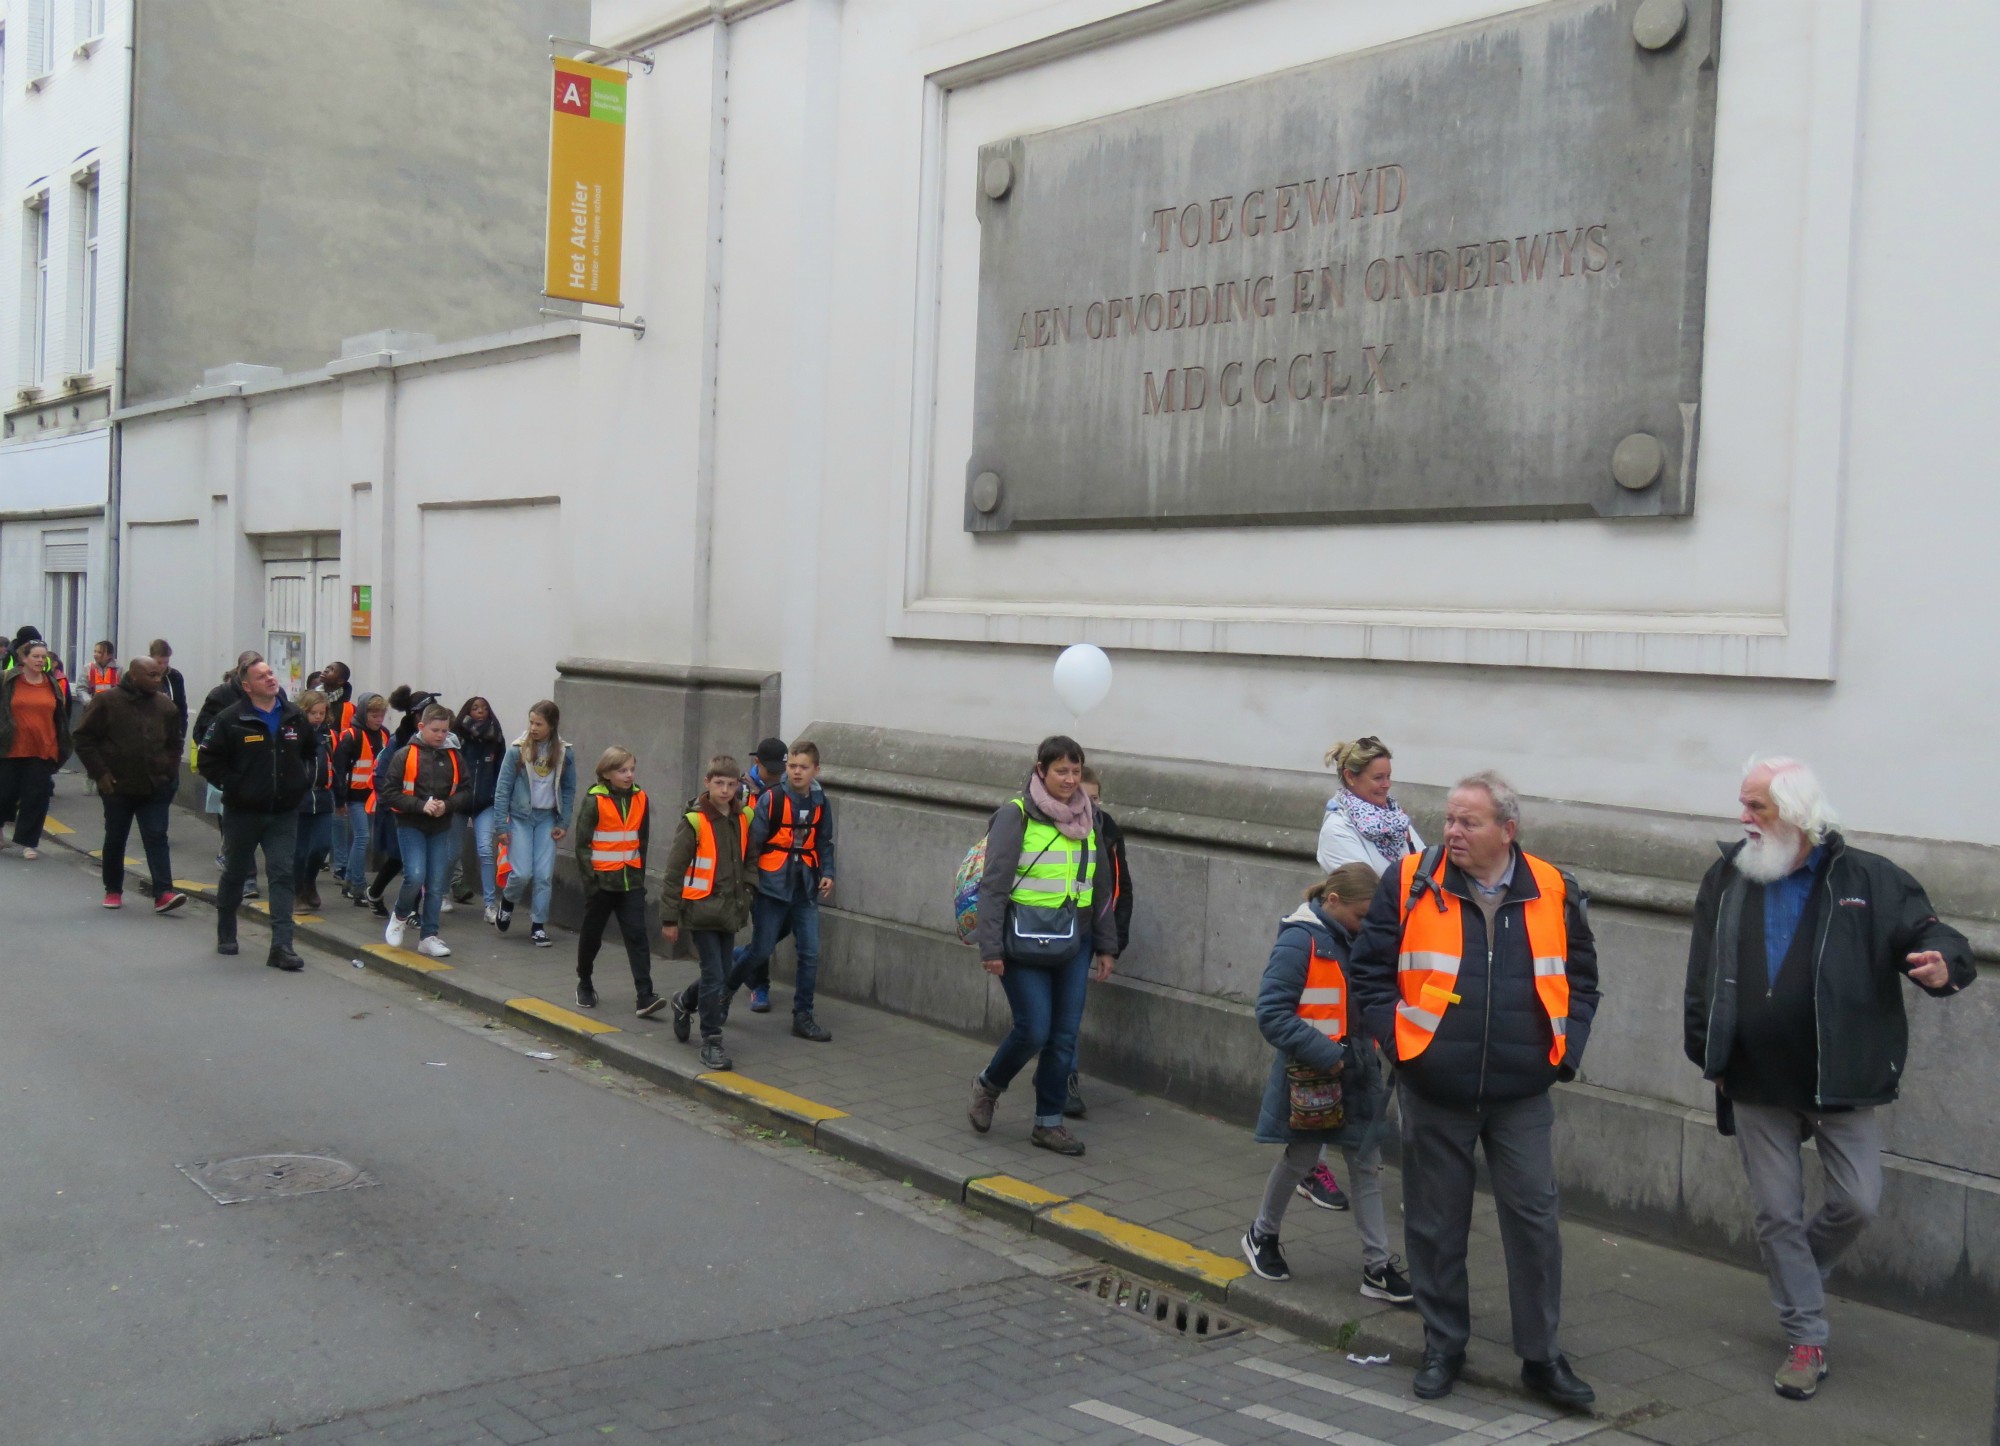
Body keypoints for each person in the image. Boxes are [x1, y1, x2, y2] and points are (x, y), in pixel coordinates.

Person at [1684, 757, 1974, 1402]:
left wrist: (1941, 965)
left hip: (1838, 1076)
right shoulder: (1728, 876)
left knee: (1858, 1200)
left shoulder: (1867, 877)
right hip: (1755, 1077)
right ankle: (1806, 1336)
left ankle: (1797, 1279)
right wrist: (1707, 1048)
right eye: (1744, 804)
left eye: (1756, 806)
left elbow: (1934, 934)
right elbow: (1701, 969)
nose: (1744, 819)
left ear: (1795, 813)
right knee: (1777, 1214)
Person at [1347, 771, 1600, 1409]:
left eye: (1469, 822)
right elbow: (1370, 973)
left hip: (1521, 1092)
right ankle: (1444, 1345)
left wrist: (1563, 1055)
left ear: (1507, 831)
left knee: (1535, 1222)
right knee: (1435, 1225)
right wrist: (1400, 1047)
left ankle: (1541, 1358)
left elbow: (1582, 979)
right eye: (1450, 819)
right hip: (1435, 1084)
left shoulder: (1553, 888)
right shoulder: (1409, 881)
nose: (1452, 832)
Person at [1242, 864, 1412, 1307]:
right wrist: (1331, 1055)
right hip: (1316, 1075)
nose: (1367, 926)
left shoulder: (1357, 938)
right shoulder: (1300, 940)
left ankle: (1376, 1266)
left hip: (1356, 1074)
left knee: (1367, 1167)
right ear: (1332, 901)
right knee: (1299, 1158)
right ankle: (1261, 1235)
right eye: (1361, 916)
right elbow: (1272, 1014)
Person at [967, 735, 1119, 1157]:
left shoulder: (1093, 820)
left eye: (1075, 771)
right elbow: (994, 886)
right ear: (1041, 771)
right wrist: (990, 948)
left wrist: (1106, 946)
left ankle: (1048, 1124)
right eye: (1060, 771)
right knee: (1034, 1028)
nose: (1069, 780)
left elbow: (1101, 887)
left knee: (1064, 1036)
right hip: (1022, 939)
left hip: (1076, 939)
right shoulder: (1014, 816)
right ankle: (988, 1085)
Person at [1303, 737, 1429, 1210]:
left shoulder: (1397, 821)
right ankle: (1309, 1162)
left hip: (1398, 957)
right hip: (1352, 960)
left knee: (1382, 1064)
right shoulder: (1337, 829)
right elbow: (1376, 896)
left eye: (1389, 775)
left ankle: (1379, 1166)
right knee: (1333, 1058)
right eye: (1377, 777)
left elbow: (1424, 869)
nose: (1386, 784)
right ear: (1351, 779)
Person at [197, 660, 313, 971]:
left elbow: (310, 753)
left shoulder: (294, 716)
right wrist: (235, 785)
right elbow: (207, 761)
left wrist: (301, 783)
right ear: (247, 686)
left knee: (282, 873)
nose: (271, 679)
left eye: (271, 673)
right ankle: (226, 930)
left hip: (283, 813)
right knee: (235, 872)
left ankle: (282, 946)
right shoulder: (230, 719)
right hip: (243, 813)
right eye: (262, 676)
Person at [718, 739, 836, 1043]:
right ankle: (724, 993)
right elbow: (753, 845)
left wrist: (828, 873)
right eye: (793, 766)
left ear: (816, 770)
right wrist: (750, 883)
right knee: (760, 950)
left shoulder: (821, 801)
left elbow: (824, 842)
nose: (797, 772)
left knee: (809, 953)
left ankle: (803, 1016)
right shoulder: (772, 799)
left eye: (803, 767)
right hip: (772, 886)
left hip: (805, 886)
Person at [73, 656, 187, 913]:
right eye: (152, 675)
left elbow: (175, 741)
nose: (158, 680)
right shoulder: (107, 701)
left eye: (159, 675)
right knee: (116, 837)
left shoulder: (165, 706)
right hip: (117, 785)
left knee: (157, 836)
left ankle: (163, 893)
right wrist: (100, 773)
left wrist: (169, 771)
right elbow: (83, 738)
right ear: (134, 676)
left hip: (155, 785)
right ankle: (113, 889)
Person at [663, 757, 752, 1070]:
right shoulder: (695, 821)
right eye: (719, 784)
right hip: (700, 910)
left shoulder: (742, 817)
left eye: (731, 784)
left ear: (738, 784)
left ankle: (684, 1001)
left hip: (729, 910)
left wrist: (748, 893)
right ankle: (712, 1040)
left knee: (722, 971)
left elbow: (749, 859)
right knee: (716, 975)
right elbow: (674, 872)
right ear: (707, 782)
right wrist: (669, 918)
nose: (725, 790)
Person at [1062, 767, 1134, 1119]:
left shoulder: (1106, 830)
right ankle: (1052, 1065)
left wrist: (1111, 945)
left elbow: (1117, 891)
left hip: (1083, 931)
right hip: (1039, 930)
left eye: (1094, 799)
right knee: (1038, 1017)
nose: (1089, 806)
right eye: (1082, 798)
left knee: (1070, 1010)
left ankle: (1063, 1076)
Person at [572, 746, 664, 1017]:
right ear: (607, 773)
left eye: (632, 769)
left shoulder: (640, 798)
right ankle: (585, 982)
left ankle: (645, 995)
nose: (629, 775)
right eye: (622, 770)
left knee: (638, 936)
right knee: (592, 936)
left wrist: (639, 876)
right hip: (602, 883)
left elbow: (642, 841)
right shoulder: (594, 800)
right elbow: (582, 845)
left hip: (630, 882)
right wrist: (592, 884)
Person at [376, 702, 470, 958]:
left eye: (444, 731)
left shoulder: (454, 756)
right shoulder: (405, 755)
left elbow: (466, 791)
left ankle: (429, 936)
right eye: (435, 730)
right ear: (421, 727)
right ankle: (400, 915)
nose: (440, 735)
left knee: (436, 882)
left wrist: (447, 805)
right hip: (410, 824)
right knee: (415, 875)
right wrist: (421, 805)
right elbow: (390, 793)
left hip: (440, 826)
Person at [493, 700, 574, 947]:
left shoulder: (563, 752)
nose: (533, 727)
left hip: (547, 818)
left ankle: (538, 925)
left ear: (552, 725)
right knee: (521, 873)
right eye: (531, 722)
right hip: (520, 818)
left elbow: (569, 789)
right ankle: (508, 901)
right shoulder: (517, 750)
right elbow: (502, 788)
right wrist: (501, 826)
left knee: (543, 875)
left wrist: (564, 820)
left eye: (539, 723)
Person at [197, 650, 265, 898]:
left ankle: (233, 859)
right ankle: (246, 878)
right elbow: (203, 731)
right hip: (233, 772)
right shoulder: (221, 695)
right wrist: (222, 764)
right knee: (237, 823)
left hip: (262, 772)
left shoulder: (272, 695)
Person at [731, 736, 790, 1011]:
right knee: (764, 930)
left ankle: (743, 955)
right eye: (771, 771)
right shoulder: (741, 790)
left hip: (782, 871)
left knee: (781, 928)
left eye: (781, 770)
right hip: (751, 870)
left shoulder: (788, 787)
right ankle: (760, 986)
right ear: (757, 763)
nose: (777, 776)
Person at [0, 638, 73, 859]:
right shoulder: (8, 680)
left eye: (43, 657)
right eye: (36, 656)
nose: (40, 661)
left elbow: (59, 716)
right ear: (24, 658)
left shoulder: (51, 684)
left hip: (43, 748)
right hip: (10, 747)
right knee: (5, 794)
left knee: (36, 795)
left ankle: (28, 842)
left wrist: (62, 744)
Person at [449, 696, 505, 920]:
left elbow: (501, 769)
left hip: (484, 801)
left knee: (485, 849)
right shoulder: (458, 737)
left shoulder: (495, 737)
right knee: (452, 851)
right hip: (460, 801)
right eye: (475, 708)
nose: (480, 712)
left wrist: (496, 796)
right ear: (468, 711)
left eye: (484, 708)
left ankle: (490, 905)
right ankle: (441, 893)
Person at [332, 693, 390, 902]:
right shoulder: (351, 736)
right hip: (355, 797)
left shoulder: (384, 735)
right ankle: (357, 884)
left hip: (374, 797)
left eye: (381, 715)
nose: (378, 719)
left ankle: (349, 881)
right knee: (363, 837)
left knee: (365, 838)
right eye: (374, 714)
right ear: (364, 713)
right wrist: (340, 800)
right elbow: (339, 771)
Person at [291, 690, 339, 912]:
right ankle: (297, 890)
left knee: (321, 846)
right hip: (298, 798)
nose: (318, 717)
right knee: (299, 850)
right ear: (303, 711)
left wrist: (341, 798)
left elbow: (337, 768)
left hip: (322, 797)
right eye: (313, 713)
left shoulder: (329, 736)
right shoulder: (292, 734)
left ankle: (310, 881)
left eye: (322, 713)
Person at [149, 639, 188, 751]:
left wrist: (181, 732)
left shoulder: (175, 676)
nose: (162, 666)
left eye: (166, 662)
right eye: (159, 662)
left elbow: (181, 707)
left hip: (169, 733)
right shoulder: (141, 675)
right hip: (147, 734)